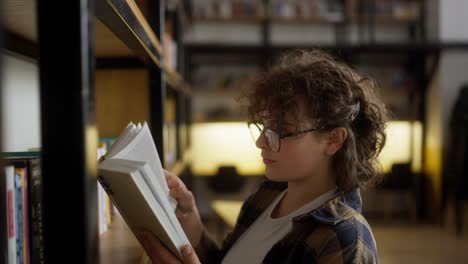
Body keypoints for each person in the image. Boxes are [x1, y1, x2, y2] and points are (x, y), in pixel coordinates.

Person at [139, 49, 388, 263]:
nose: (261, 142)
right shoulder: (266, 197)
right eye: (265, 129)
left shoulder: (342, 238)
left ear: (333, 140)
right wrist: (192, 223)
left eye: (283, 132)